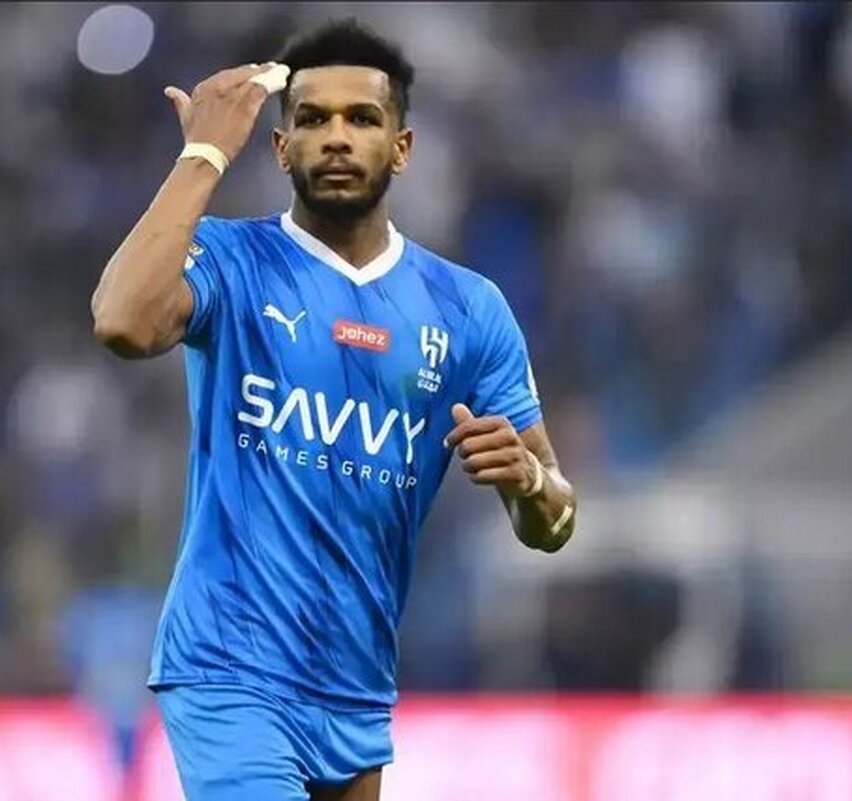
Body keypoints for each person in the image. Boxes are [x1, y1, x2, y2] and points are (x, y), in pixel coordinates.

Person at [91, 17, 577, 801]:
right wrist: (203, 154)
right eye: (313, 120)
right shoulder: (233, 260)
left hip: (356, 686)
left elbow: (556, 519)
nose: (338, 137)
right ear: (281, 147)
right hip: (230, 667)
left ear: (402, 147)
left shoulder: (467, 308)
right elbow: (123, 321)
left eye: (362, 118)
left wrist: (528, 482)